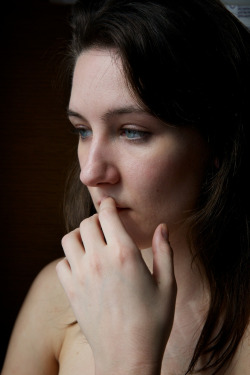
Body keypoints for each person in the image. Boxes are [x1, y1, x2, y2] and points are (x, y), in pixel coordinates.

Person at [2, 0, 250, 374]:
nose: (90, 172)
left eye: (132, 132)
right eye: (82, 130)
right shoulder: (56, 294)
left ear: (215, 142)